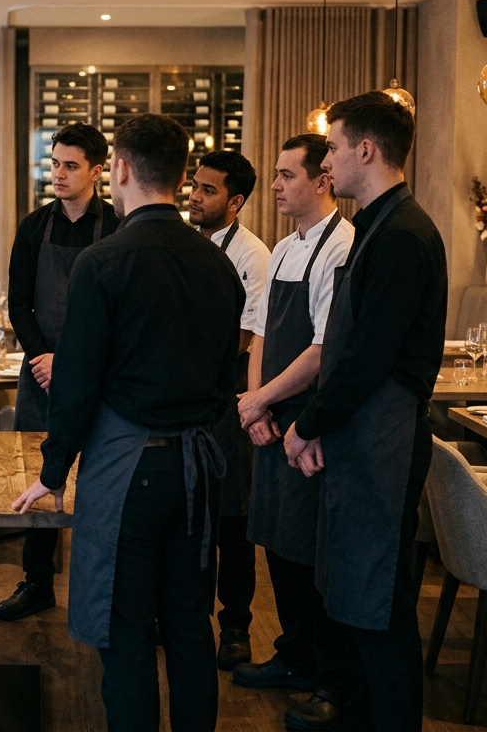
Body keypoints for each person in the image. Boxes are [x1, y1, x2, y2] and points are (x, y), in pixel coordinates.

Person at [14, 113, 244, 732]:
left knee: (128, 630)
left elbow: (78, 383)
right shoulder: (218, 265)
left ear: (117, 169)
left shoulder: (103, 261)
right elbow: (228, 378)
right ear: (181, 175)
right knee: (192, 629)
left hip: (129, 471)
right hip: (197, 471)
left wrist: (53, 470)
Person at [283, 92, 447, 731]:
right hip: (361, 434)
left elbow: (366, 357)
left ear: (366, 150)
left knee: (379, 601)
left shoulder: (403, 235)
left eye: (332, 147)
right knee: (352, 593)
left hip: (386, 436)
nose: (326, 162)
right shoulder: (381, 224)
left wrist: (308, 423)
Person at [232, 134, 355, 731]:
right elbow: (258, 335)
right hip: (272, 417)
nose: (276, 186)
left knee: (313, 552)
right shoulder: (281, 248)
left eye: (286, 175)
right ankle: (292, 654)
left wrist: (263, 400)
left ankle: (329, 675)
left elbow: (323, 349)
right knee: (277, 545)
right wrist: (256, 407)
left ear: (322, 180)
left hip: (309, 424)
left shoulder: (343, 247)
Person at [0, 123, 119, 622]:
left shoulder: (117, 226)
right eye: (55, 164)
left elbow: (118, 310)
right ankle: (37, 582)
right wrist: (42, 356)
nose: (60, 174)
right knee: (38, 474)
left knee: (101, 476)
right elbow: (19, 305)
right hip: (39, 369)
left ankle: (103, 584)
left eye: (71, 165)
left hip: (100, 374)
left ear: (97, 169)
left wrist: (69, 362)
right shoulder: (33, 227)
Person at [188, 148, 270, 671]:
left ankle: (236, 625)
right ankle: (186, 617)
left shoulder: (253, 256)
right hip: (189, 394)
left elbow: (246, 336)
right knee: (192, 514)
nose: (195, 196)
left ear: (235, 202)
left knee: (232, 516)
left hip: (228, 394)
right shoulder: (189, 242)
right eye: (194, 186)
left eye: (208, 190)